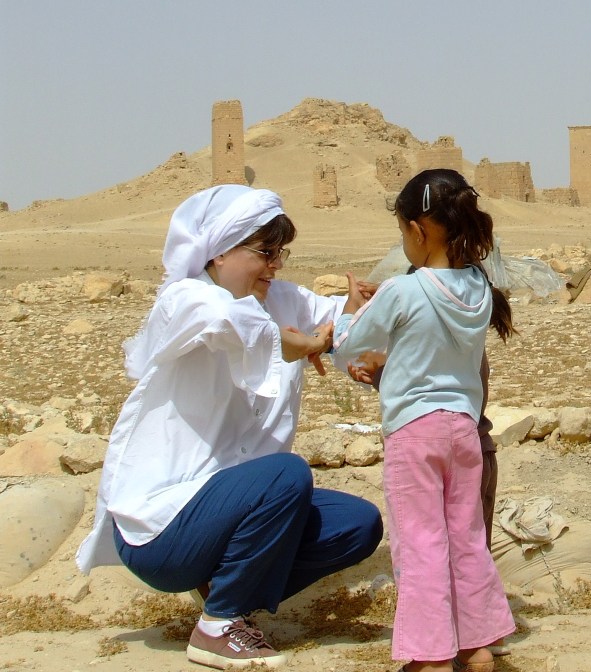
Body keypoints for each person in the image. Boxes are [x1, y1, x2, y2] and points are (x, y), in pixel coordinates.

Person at [76, 185, 384, 670]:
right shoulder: (185, 299)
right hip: (163, 525)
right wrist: (295, 343)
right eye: (264, 252)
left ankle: (227, 591)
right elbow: (229, 321)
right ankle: (218, 626)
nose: (275, 265)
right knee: (286, 475)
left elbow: (337, 327)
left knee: (357, 525)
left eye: (280, 253)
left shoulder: (280, 301)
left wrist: (362, 310)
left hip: (229, 509)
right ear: (219, 251)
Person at [331, 168, 516, 672]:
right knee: (466, 538)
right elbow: (426, 348)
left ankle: (429, 656)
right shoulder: (479, 285)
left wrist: (351, 307)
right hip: (463, 431)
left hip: (414, 434)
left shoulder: (402, 290)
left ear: (416, 230)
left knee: (421, 545)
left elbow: (349, 345)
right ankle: (477, 646)